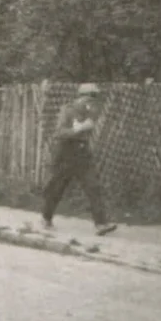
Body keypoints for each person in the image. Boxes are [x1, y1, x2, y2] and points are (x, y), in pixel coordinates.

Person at [42, 83, 118, 236]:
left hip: (82, 153)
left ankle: (101, 224)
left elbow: (87, 128)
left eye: (94, 99)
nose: (92, 102)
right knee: (58, 187)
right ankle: (46, 217)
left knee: (93, 186)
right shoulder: (68, 110)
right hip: (66, 152)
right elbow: (59, 133)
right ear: (82, 97)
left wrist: (84, 127)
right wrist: (78, 129)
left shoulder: (91, 113)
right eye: (90, 98)